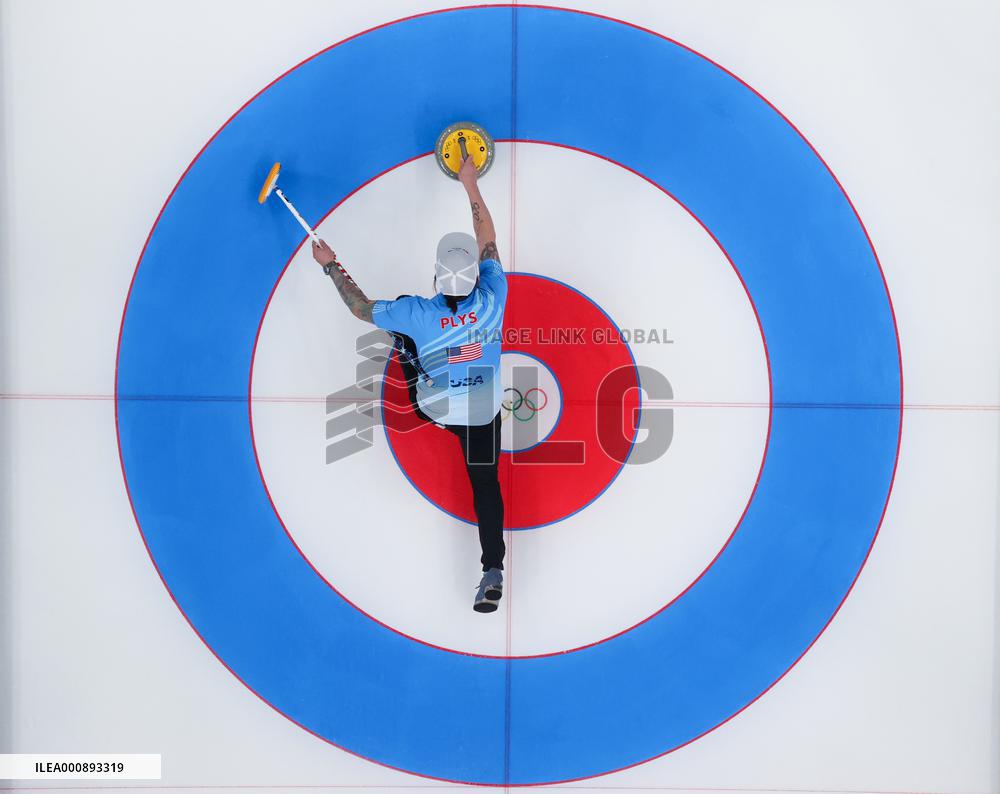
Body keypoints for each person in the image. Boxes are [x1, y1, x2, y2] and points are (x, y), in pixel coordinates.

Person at [311, 153, 508, 613]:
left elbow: (360, 308)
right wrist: (469, 184)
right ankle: (492, 567)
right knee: (486, 485)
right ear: (475, 278)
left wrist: (330, 264)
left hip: (435, 408)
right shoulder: (495, 295)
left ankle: (417, 359)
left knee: (400, 333)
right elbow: (488, 240)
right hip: (484, 412)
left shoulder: (415, 312)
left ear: (438, 276)